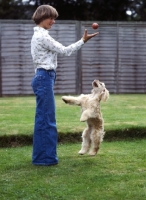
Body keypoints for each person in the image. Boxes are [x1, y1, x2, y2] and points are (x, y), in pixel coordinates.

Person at [31, 5, 98, 166]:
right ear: (42, 17)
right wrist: (83, 40)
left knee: (43, 119)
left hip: (43, 78)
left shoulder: (39, 35)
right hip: (44, 78)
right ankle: (45, 159)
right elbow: (66, 51)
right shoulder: (43, 37)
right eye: (51, 18)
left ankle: (41, 157)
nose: (53, 21)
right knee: (47, 120)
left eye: (54, 18)